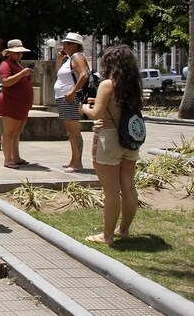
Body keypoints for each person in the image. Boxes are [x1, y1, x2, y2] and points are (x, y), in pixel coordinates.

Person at [80, 45, 142, 246]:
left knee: (112, 192)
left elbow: (96, 114)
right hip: (129, 139)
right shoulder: (133, 85)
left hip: (109, 139)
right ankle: (124, 230)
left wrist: (84, 108)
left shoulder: (107, 84)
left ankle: (107, 236)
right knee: (128, 186)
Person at [55, 32, 90, 172]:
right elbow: (59, 74)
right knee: (70, 130)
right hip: (65, 97)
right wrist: (59, 59)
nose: (64, 45)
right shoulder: (69, 59)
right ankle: (74, 159)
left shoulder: (77, 57)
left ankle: (77, 162)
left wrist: (73, 92)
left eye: (67, 43)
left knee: (74, 130)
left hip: (70, 98)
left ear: (75, 45)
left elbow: (84, 75)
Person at [0, 39, 34, 169]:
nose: (20, 55)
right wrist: (22, 74)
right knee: (9, 132)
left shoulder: (18, 64)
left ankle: (16, 157)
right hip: (10, 102)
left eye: (21, 53)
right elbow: (5, 82)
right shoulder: (5, 64)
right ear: (9, 53)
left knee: (17, 131)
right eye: (17, 53)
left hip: (22, 104)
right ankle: (8, 159)